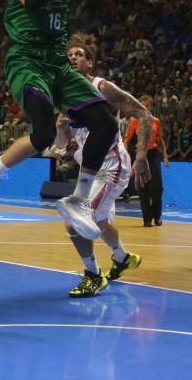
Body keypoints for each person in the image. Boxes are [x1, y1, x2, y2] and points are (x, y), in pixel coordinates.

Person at [0, 0, 156, 239]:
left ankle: (79, 199)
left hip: (58, 64)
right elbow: (31, 0)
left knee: (107, 124)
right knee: (42, 132)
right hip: (27, 58)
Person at [51, 37, 152, 297]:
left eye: (79, 54)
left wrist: (141, 156)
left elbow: (143, 113)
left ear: (90, 63)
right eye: (69, 54)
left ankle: (93, 276)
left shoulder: (102, 87)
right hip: (91, 169)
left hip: (112, 165)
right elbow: (62, 145)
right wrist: (61, 129)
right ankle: (122, 258)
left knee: (74, 223)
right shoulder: (66, 96)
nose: (72, 57)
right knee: (102, 221)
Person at [125, 95, 169, 227]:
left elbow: (160, 140)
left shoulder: (156, 121)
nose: (145, 107)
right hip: (140, 155)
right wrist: (126, 156)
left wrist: (165, 157)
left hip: (153, 154)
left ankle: (157, 216)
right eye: (142, 104)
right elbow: (127, 139)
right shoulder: (134, 120)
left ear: (151, 106)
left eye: (147, 104)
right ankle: (147, 218)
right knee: (143, 187)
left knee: (157, 187)